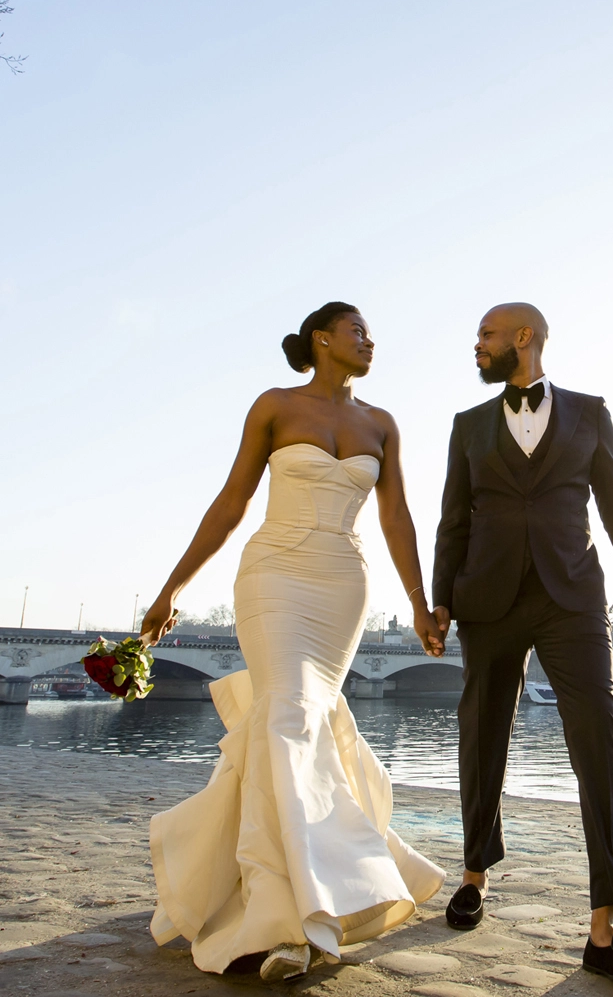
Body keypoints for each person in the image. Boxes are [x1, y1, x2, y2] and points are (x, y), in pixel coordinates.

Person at [139, 302, 446, 982]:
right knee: (287, 715)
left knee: (297, 724)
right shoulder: (273, 406)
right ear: (323, 339)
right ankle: (287, 918)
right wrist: (171, 590)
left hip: (342, 582)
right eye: (358, 330)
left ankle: (279, 895)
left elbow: (397, 518)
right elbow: (230, 503)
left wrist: (421, 605)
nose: (371, 341)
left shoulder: (382, 424)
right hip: (274, 571)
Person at [432, 303, 613, 985]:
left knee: (599, 725)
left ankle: (604, 922)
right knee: (482, 732)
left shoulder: (590, 412)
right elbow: (452, 518)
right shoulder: (467, 426)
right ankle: (475, 872)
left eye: (484, 334)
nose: (475, 346)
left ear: (522, 339)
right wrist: (439, 601)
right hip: (487, 601)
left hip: (571, 596)